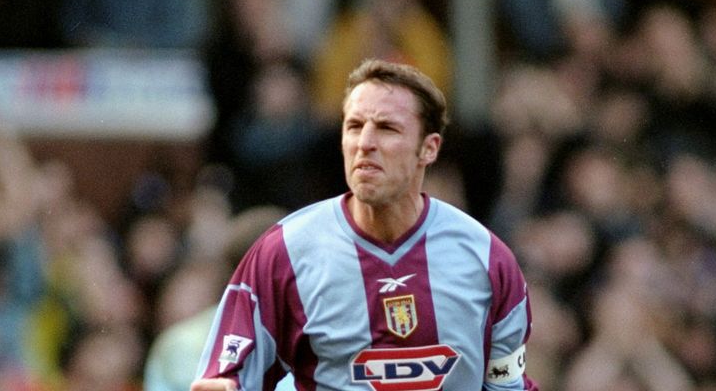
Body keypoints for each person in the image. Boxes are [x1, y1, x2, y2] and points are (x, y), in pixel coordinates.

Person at [190, 59, 538, 390]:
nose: (365, 143)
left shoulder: (487, 259)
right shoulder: (284, 254)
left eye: (387, 128)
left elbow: (507, 383)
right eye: (354, 126)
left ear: (428, 149)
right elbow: (228, 376)